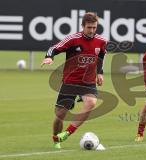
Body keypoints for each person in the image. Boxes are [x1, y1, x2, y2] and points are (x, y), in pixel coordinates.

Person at [41, 12, 107, 149]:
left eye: (94, 27)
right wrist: (49, 57)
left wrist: (100, 73)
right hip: (70, 81)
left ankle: (67, 133)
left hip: (88, 82)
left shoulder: (101, 41)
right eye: (89, 27)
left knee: (91, 102)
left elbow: (101, 56)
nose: (92, 30)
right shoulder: (73, 39)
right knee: (60, 115)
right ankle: (56, 139)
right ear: (83, 26)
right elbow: (54, 48)